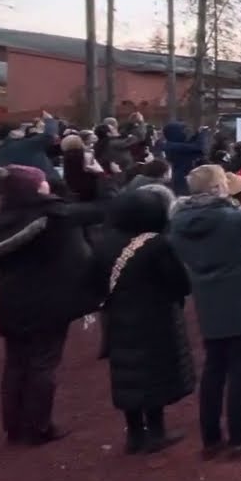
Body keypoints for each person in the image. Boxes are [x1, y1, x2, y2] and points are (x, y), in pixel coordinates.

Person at [0, 165, 107, 446]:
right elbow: (102, 209)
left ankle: (14, 428)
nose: (47, 184)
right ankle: (38, 427)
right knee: (42, 364)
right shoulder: (54, 216)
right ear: (34, 187)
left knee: (15, 364)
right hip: (48, 301)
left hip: (11, 299)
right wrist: (100, 177)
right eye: (42, 181)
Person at [167, 164, 241, 458]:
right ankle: (238, 436)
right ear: (216, 188)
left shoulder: (179, 222)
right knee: (240, 372)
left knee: (214, 369)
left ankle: (211, 438)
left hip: (209, 302)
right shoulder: (232, 220)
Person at [93, 185, 195, 454]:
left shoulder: (105, 242)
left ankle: (135, 434)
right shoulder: (156, 244)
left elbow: (93, 283)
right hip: (155, 316)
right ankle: (157, 431)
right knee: (155, 373)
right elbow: (180, 284)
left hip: (117, 317)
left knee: (127, 373)